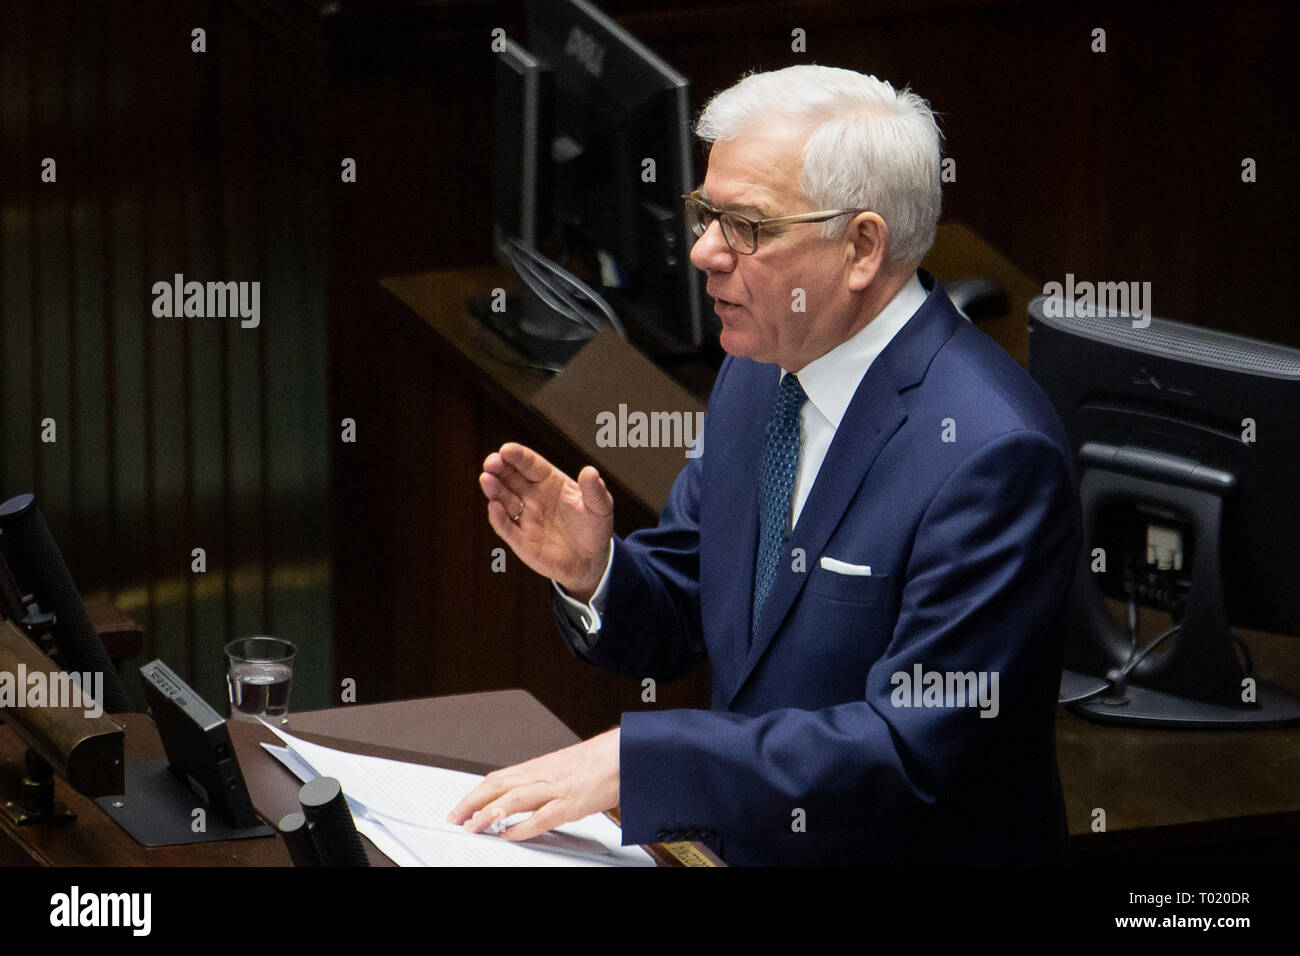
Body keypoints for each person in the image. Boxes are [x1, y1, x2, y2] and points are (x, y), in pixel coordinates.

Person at [448, 65, 1081, 865]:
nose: (705, 251)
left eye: (747, 226)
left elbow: (910, 748)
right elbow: (688, 602)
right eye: (708, 214)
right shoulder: (759, 370)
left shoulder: (993, 457)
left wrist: (638, 760)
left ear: (861, 246)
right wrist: (595, 572)